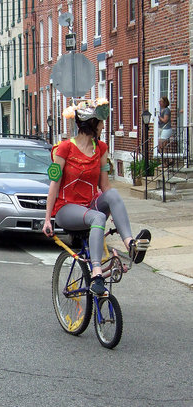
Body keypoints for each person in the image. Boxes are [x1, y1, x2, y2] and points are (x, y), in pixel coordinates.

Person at [42, 98, 151, 296]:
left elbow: (105, 186)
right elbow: (54, 184)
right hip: (66, 209)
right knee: (97, 217)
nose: (102, 126)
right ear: (91, 123)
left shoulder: (101, 148)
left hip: (90, 206)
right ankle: (97, 274)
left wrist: (113, 210)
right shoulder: (64, 149)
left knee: (113, 194)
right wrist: (47, 218)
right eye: (100, 122)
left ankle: (131, 245)